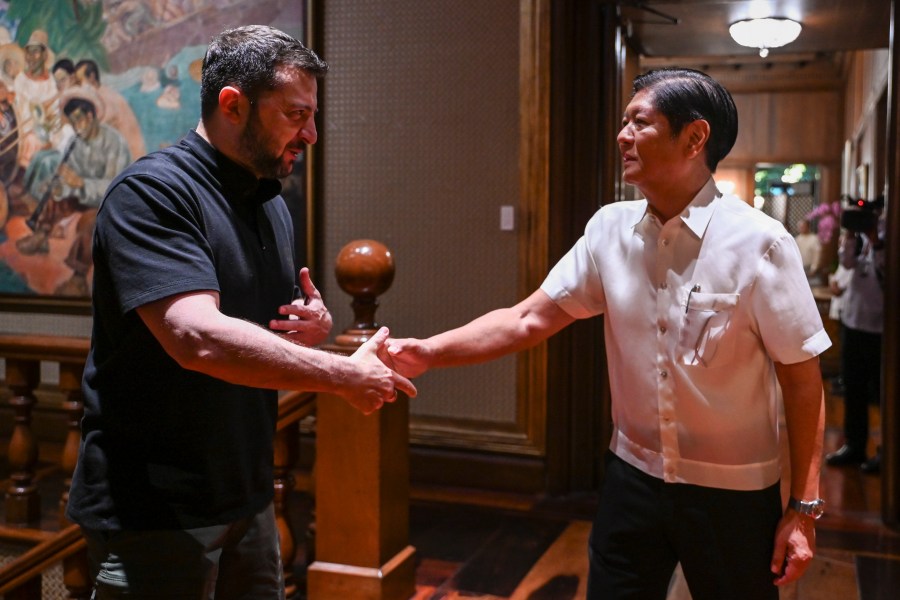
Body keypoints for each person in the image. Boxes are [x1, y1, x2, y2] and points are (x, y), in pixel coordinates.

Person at [384, 68, 829, 600]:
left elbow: (802, 381)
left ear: (695, 138)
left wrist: (802, 511)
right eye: (623, 122)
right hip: (631, 478)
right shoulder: (608, 230)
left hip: (732, 494)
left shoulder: (762, 244)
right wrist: (429, 352)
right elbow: (529, 319)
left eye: (639, 122)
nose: (622, 136)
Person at [66, 25, 416, 599]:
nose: (312, 133)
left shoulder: (269, 199)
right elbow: (197, 338)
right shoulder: (153, 193)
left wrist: (313, 330)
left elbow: (258, 332)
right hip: (155, 509)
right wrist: (343, 374)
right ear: (233, 104)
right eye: (295, 115)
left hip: (246, 494)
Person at [824, 204, 884, 474]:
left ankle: (886, 450)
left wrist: (876, 238)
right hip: (854, 323)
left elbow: (884, 269)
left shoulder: (885, 239)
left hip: (882, 329)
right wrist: (850, 236)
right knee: (854, 388)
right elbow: (848, 264)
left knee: (883, 395)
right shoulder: (859, 240)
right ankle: (854, 445)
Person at [794, 217, 822, 283]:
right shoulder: (797, 239)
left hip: (809, 269)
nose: (801, 228)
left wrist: (813, 269)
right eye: (799, 227)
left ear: (808, 227)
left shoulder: (814, 239)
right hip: (799, 269)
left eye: (803, 226)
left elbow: (817, 255)